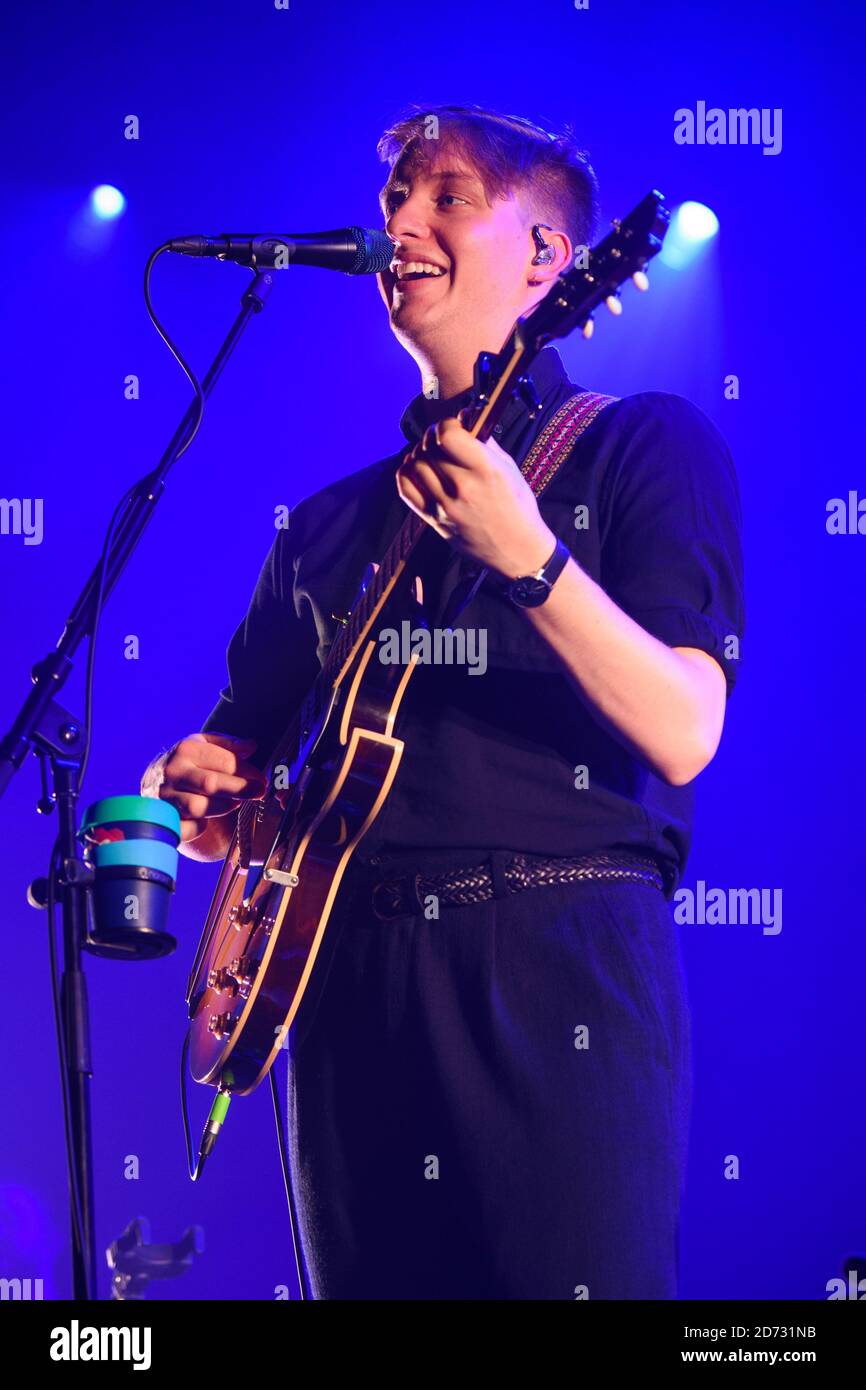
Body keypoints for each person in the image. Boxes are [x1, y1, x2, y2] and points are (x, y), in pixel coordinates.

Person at [142, 104, 744, 1299]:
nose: (402, 226)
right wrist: (197, 789)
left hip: (552, 963)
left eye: (448, 197)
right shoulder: (320, 526)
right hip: (342, 986)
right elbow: (232, 755)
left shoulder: (639, 447)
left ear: (544, 259)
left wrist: (528, 556)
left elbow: (685, 727)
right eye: (394, 204)